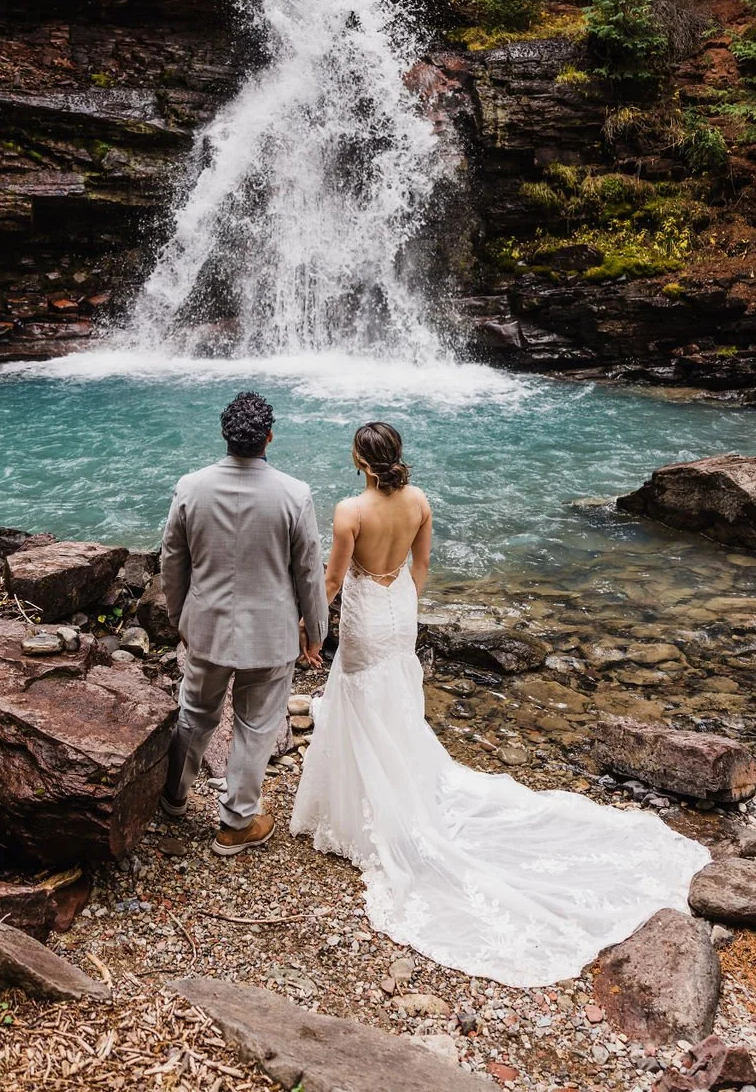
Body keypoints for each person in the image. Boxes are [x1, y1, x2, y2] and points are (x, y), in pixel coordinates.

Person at [291, 421, 709, 987]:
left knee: (360, 693)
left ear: (360, 460)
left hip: (366, 616)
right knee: (392, 691)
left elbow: (335, 579)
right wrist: (404, 603)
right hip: (398, 611)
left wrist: (308, 627)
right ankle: (393, 785)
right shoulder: (419, 501)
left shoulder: (348, 512)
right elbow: (421, 569)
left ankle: (362, 803)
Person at [160, 391, 327, 855]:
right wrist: (317, 630)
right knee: (256, 726)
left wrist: (179, 617)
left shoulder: (190, 487)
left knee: (195, 714)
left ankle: (173, 797)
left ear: (225, 436)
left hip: (207, 628)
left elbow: (172, 561)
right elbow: (309, 571)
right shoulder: (295, 494)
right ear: (269, 437)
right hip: (271, 634)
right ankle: (236, 823)